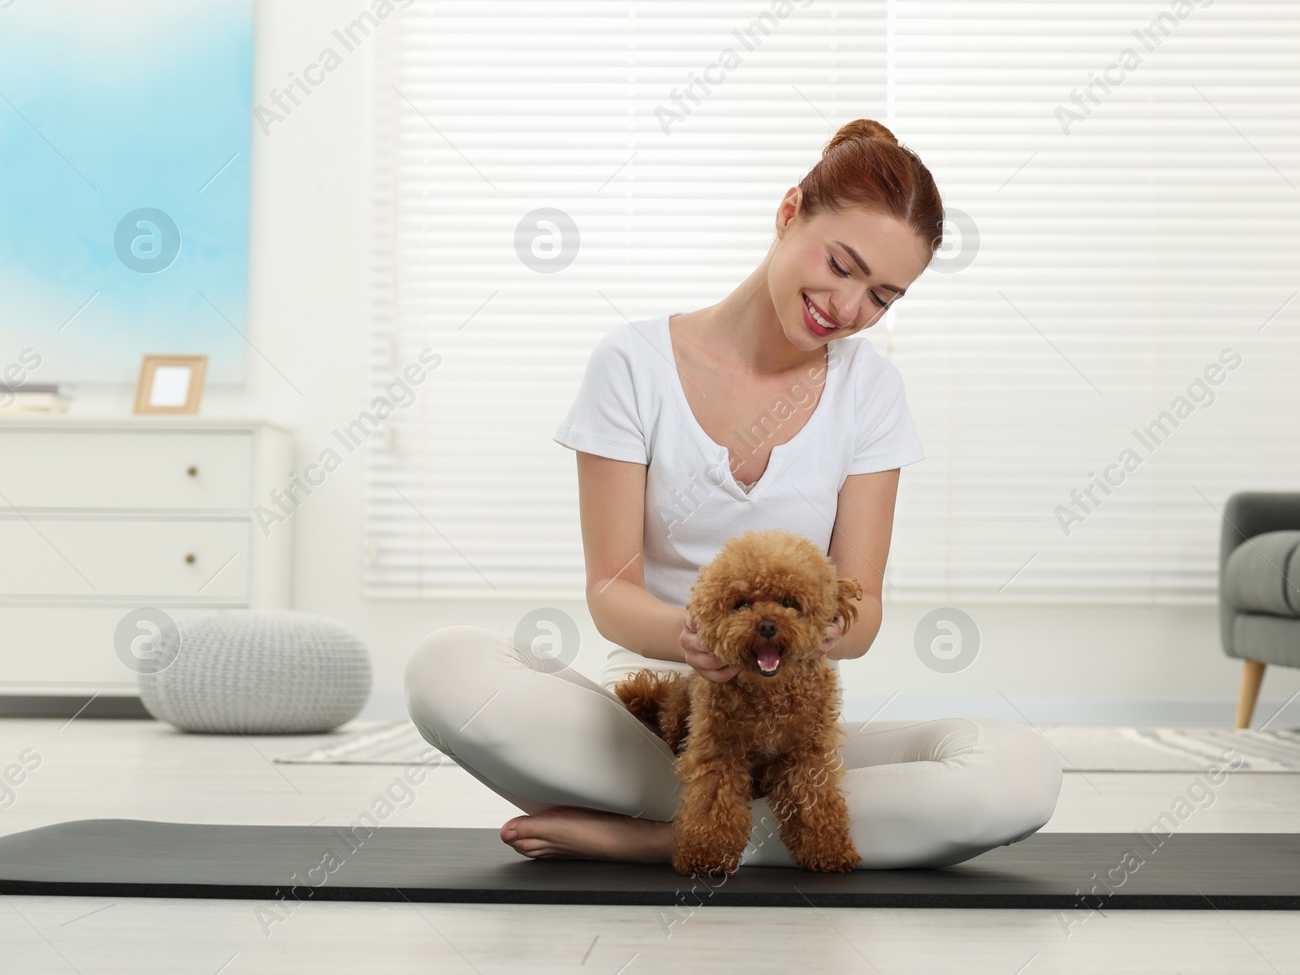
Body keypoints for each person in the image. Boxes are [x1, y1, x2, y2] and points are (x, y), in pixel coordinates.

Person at [403, 118, 1062, 869]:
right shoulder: (633, 363)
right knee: (444, 666)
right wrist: (691, 638)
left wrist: (811, 637)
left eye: (882, 296)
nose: (847, 309)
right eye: (841, 265)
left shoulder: (871, 389)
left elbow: (864, 605)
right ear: (789, 214)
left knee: (1021, 771)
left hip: (791, 723)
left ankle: (675, 836)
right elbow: (610, 588)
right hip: (655, 727)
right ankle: (723, 815)